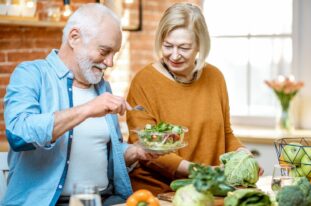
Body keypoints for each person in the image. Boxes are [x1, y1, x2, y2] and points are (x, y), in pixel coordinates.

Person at [2, 3, 158, 206]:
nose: (109, 62)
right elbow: (19, 133)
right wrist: (87, 109)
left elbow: (102, 152)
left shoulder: (102, 87)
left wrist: (135, 152)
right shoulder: (31, 74)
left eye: (114, 54)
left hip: (105, 201)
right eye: (104, 51)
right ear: (74, 37)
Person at [126, 2, 263, 196]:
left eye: (184, 47)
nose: (174, 55)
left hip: (207, 189)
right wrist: (201, 171)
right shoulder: (144, 81)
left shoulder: (215, 77)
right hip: (158, 193)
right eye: (168, 46)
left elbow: (225, 133)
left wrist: (242, 154)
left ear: (200, 45)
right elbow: (147, 150)